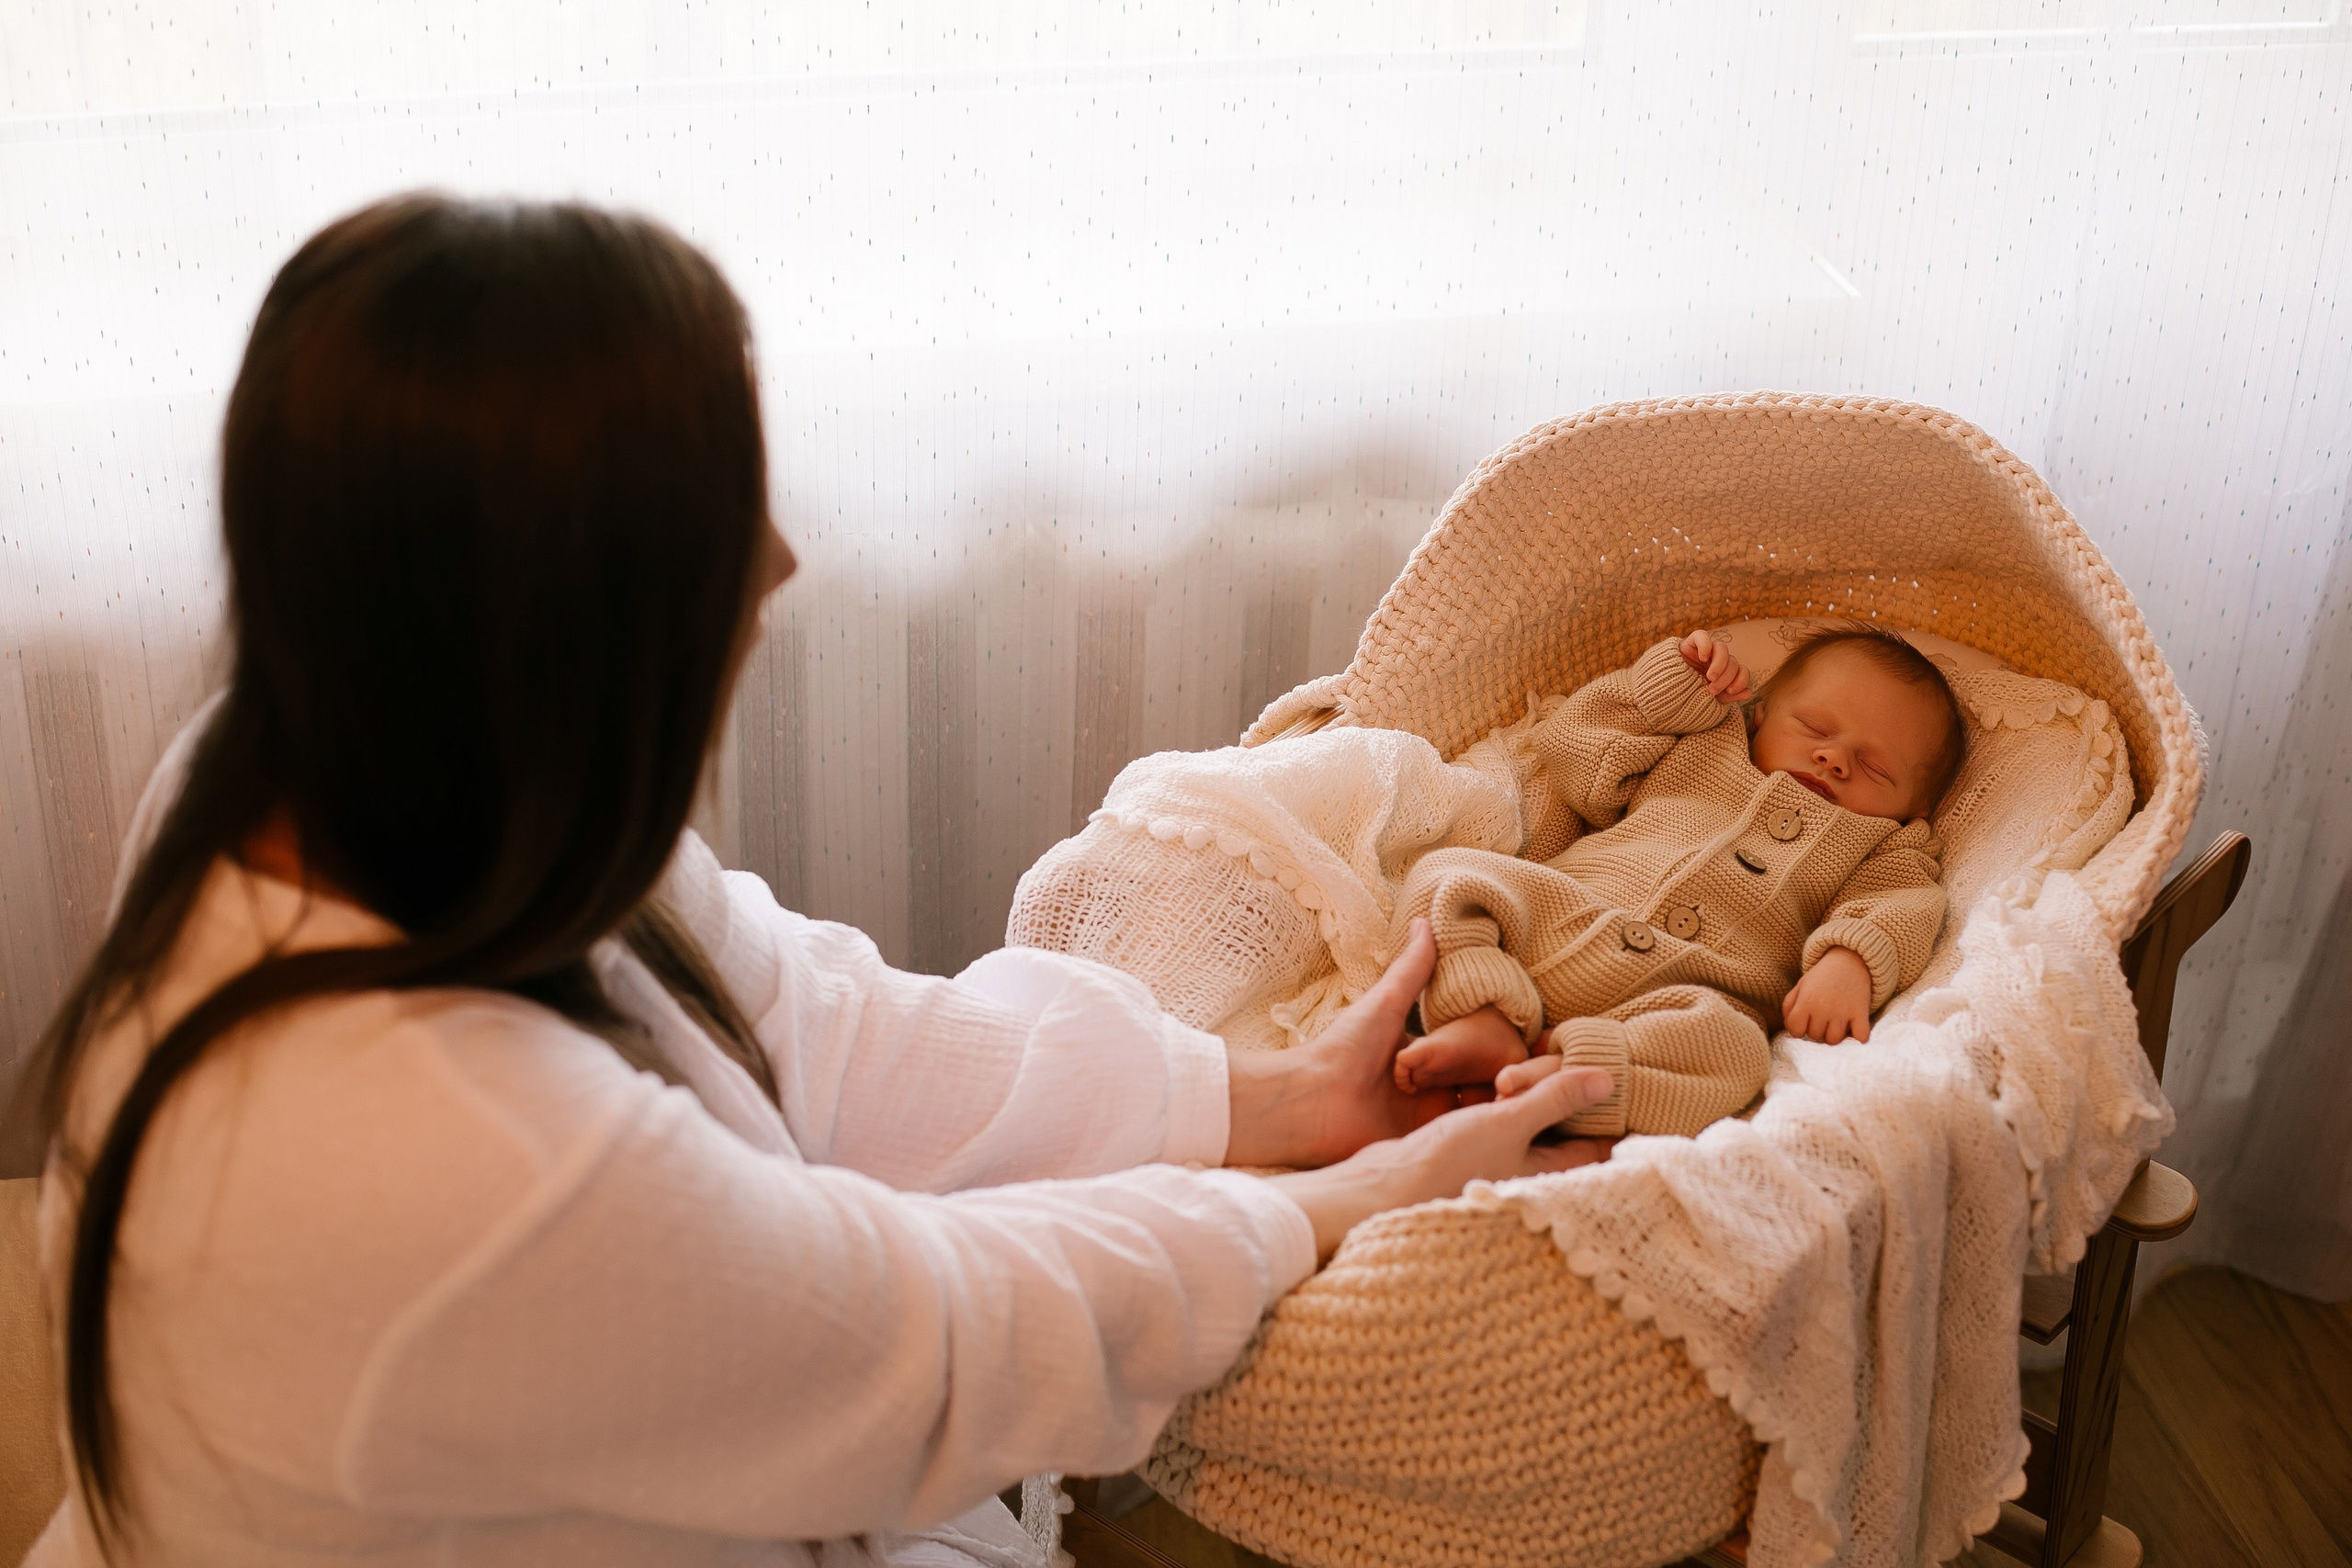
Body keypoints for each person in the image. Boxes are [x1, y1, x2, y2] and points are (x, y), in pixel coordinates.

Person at [20, 196, 1614, 1567]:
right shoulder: (436, 1161)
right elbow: (931, 1338)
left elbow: (811, 1018)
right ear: (560, 627)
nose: (779, 560)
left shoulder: (335, 763)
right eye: (723, 510)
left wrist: (1260, 1103)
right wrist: (1348, 1205)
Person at [1393, 622, 1966, 1134]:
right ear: (1758, 714)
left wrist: (1850, 962)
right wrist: (1670, 693)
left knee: (1737, 1054)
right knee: (1448, 876)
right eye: (1815, 727)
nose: (1834, 759)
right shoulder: (1702, 744)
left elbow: (1902, 905)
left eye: (1874, 768)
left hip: (1689, 996)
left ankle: (1573, 1080)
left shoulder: (1885, 844)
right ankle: (1480, 1016)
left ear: (1914, 807)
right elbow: (1577, 755)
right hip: (1558, 914)